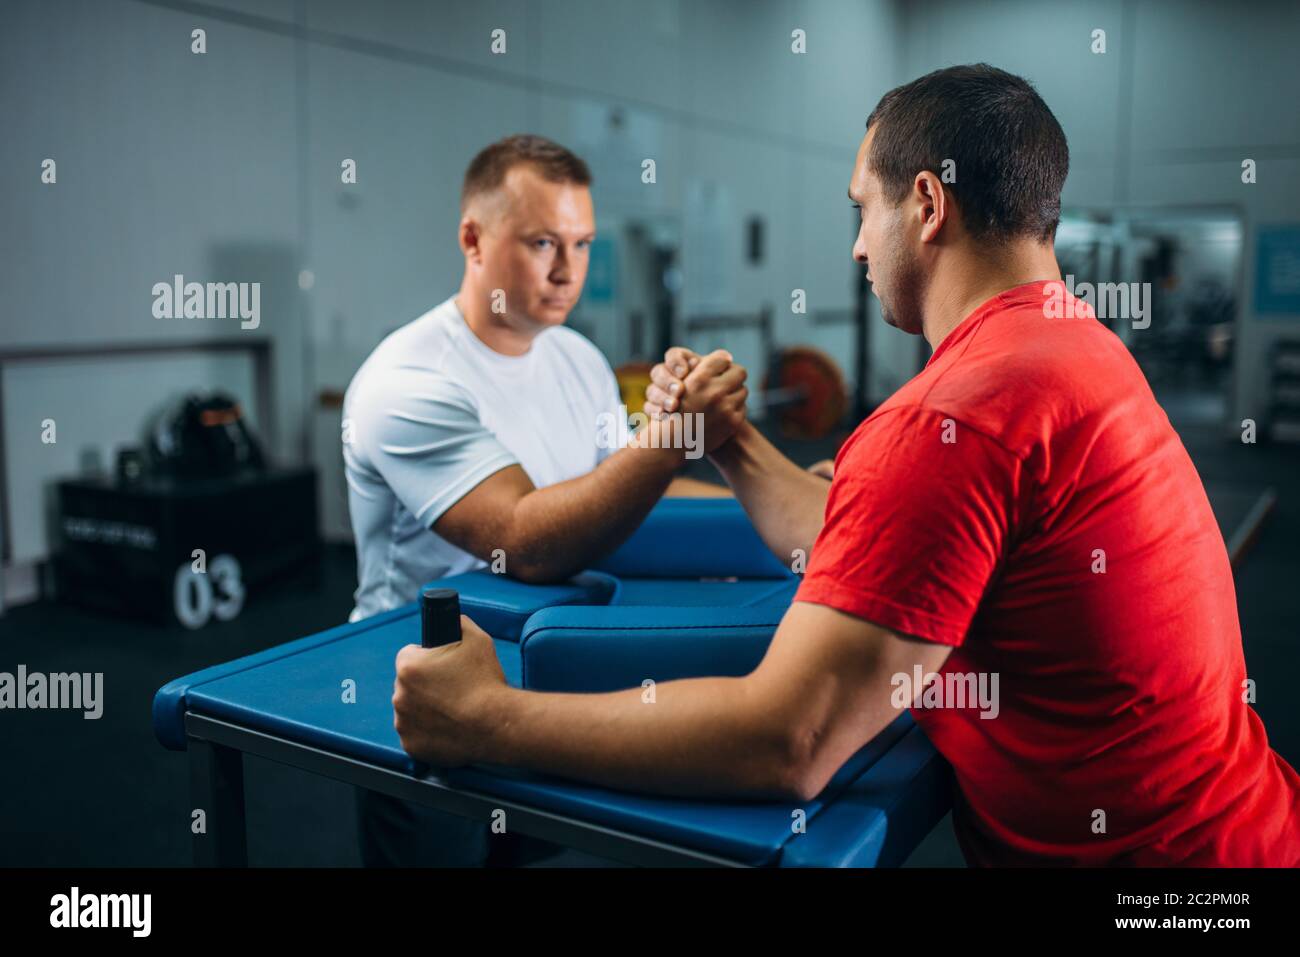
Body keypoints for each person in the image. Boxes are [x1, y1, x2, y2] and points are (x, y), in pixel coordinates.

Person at [392, 66, 1299, 866]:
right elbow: (879, 542)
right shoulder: (1074, 349)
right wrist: (732, 442)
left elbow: (792, 738)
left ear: (928, 205)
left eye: (863, 210)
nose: (859, 246)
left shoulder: (953, 414)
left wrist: (488, 719)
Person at [343, 134, 746, 866]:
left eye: (583, 244)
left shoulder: (576, 356)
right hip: (420, 681)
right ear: (472, 238)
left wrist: (770, 493)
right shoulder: (407, 380)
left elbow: (619, 484)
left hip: (544, 663)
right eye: (542, 243)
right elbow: (523, 538)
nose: (569, 271)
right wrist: (672, 432)